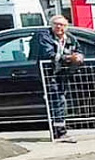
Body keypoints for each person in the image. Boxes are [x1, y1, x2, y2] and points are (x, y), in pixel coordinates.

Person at [32, 15, 84, 143]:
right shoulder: (45, 37)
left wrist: (79, 57)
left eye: (61, 24)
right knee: (57, 99)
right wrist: (69, 58)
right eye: (56, 24)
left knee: (60, 99)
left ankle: (59, 129)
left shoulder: (71, 38)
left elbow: (79, 50)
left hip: (64, 73)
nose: (59, 27)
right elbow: (49, 54)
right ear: (51, 25)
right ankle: (59, 131)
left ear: (66, 26)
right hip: (49, 73)